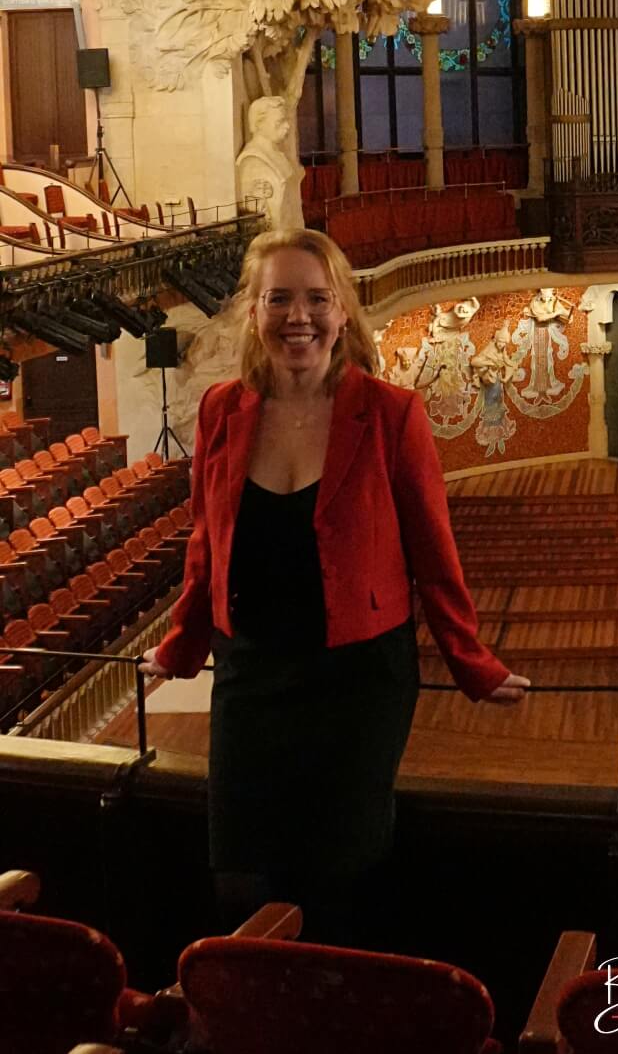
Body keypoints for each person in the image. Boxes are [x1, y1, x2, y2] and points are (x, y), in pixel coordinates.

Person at [142, 228, 528, 938]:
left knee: (337, 882)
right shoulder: (221, 410)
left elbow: (434, 554)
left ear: (342, 310)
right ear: (253, 311)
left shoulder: (389, 413)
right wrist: (180, 644)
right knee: (239, 878)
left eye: (317, 298)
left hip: (358, 681)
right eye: (279, 297)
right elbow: (206, 542)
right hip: (249, 673)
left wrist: (472, 660)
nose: (299, 315)